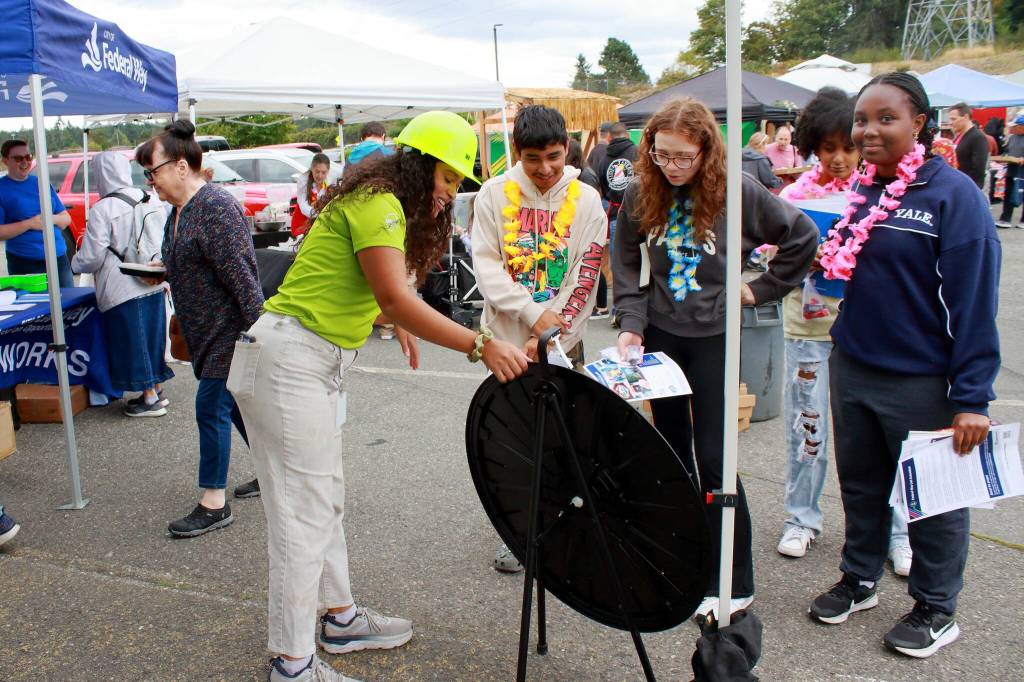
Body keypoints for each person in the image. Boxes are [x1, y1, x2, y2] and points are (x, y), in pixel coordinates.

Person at [228, 110, 529, 682]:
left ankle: (340, 619)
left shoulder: (376, 199)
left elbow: (382, 290)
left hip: (301, 361)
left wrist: (406, 318)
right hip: (293, 361)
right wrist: (480, 343)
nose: (448, 196)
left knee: (322, 502)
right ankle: (292, 664)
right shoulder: (379, 202)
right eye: (446, 180)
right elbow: (393, 296)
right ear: (420, 166)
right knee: (302, 517)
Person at [808, 73, 1000, 660]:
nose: (868, 131)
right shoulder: (864, 189)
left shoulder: (954, 196)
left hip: (924, 381)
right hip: (856, 364)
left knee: (932, 498)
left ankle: (937, 608)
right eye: (862, 119)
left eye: (885, 118)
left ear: (919, 123)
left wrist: (973, 397)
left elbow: (974, 303)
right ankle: (859, 578)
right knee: (861, 484)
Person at [612, 97, 818, 619]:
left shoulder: (738, 191)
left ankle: (733, 576)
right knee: (671, 454)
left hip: (715, 340)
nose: (673, 167)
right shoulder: (642, 191)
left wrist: (760, 289)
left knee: (715, 461)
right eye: (662, 155)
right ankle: (684, 560)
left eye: (684, 157)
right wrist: (633, 325)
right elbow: (626, 258)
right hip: (662, 338)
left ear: (706, 151)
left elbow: (801, 237)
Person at [775, 88, 913, 576]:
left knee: (885, 436)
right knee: (807, 427)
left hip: (874, 333)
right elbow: (761, 252)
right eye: (825, 149)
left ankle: (899, 530)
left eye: (846, 148)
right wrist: (787, 258)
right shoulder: (792, 198)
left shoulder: (890, 193)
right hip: (807, 327)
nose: (837, 159)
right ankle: (802, 518)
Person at [472, 106, 607, 573]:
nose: (546, 169)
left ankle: (572, 527)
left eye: (554, 156)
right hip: (507, 348)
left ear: (567, 149)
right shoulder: (492, 195)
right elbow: (487, 267)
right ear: (517, 154)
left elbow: (585, 273)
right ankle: (523, 533)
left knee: (569, 442)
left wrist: (552, 333)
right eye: (534, 159)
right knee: (516, 444)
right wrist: (532, 316)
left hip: (565, 344)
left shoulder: (587, 200)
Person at [136, 121, 265, 536]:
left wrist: (260, 335)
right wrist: (161, 271)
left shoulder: (216, 208)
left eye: (151, 170)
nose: (149, 179)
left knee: (210, 408)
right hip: (201, 333)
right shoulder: (176, 212)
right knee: (239, 411)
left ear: (179, 166)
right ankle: (273, 468)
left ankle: (214, 502)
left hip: (229, 333)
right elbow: (180, 261)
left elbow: (244, 279)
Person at [71, 151, 174, 417]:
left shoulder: (103, 208)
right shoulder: (149, 197)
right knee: (152, 338)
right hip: (153, 278)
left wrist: (75, 263)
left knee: (133, 342)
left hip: (121, 285)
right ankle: (156, 390)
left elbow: (92, 257)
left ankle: (149, 398)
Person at [0, 140, 75, 287]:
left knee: (67, 305)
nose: (25, 162)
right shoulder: (2, 188)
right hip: (24, 261)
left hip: (58, 257)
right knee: (35, 308)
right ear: (5, 161)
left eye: (28, 157)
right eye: (18, 158)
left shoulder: (41, 182)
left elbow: (66, 218)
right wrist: (28, 224)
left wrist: (50, 219)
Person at [566, 136, 610, 319]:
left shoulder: (586, 177)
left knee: (593, 268)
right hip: (575, 226)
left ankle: (602, 306)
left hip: (589, 227)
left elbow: (594, 205)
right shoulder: (580, 174)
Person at [948, 102, 989, 189]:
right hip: (957, 185)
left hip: (968, 187)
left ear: (966, 117)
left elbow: (978, 168)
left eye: (953, 119)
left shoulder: (978, 137)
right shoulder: (959, 136)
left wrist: (969, 188)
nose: (950, 123)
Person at [291, 153, 331, 236]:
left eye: (323, 172)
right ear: (312, 168)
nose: (320, 176)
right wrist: (321, 215)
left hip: (320, 224)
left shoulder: (330, 182)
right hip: (302, 225)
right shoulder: (303, 181)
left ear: (328, 171)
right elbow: (303, 207)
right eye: (317, 171)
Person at [996, 113, 1024, 228]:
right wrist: (1003, 157)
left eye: (1015, 126)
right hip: (1012, 169)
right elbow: (1006, 151)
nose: (1012, 128)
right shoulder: (1012, 137)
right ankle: (1005, 218)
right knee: (1008, 194)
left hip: (1022, 171)